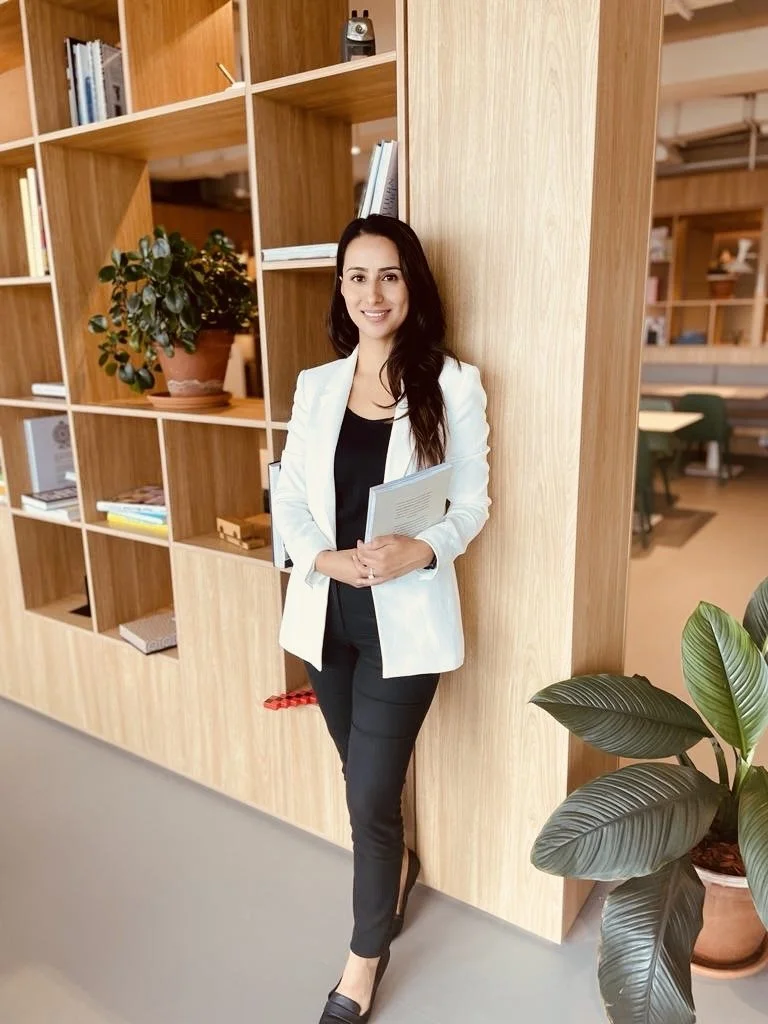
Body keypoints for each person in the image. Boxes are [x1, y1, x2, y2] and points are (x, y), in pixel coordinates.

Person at [272, 214, 490, 1023]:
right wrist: (322, 560)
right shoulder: (316, 385)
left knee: (369, 793)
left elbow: (471, 505)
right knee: (361, 782)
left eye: (389, 275)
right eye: (357, 276)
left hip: (403, 624)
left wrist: (421, 552)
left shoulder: (452, 384)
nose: (373, 292)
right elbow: (291, 494)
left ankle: (363, 960)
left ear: (413, 285)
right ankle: (398, 869)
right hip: (327, 612)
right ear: (341, 287)